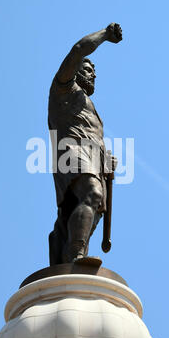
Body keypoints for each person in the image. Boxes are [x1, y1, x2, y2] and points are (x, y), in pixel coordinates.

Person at [48, 23, 122, 265]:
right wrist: (104, 35)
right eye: (89, 69)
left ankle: (67, 259)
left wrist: (104, 159)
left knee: (87, 207)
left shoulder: (88, 105)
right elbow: (79, 49)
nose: (94, 74)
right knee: (91, 192)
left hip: (90, 157)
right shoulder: (64, 88)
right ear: (75, 71)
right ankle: (76, 254)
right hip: (70, 152)